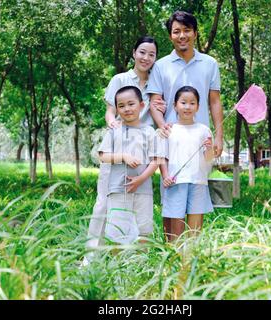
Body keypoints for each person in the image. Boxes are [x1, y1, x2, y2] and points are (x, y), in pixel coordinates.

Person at [84, 36, 163, 264]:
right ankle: (91, 259)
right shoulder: (120, 79)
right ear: (134, 53)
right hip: (119, 143)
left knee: (137, 212)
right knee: (103, 205)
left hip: (142, 150)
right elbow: (110, 111)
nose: (146, 58)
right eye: (142, 52)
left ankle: (133, 260)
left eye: (151, 54)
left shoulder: (156, 83)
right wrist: (113, 124)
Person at [146, 10, 224, 238]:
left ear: (195, 33)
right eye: (176, 31)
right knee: (172, 200)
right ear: (170, 36)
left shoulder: (209, 64)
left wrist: (218, 136)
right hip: (173, 143)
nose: (182, 36)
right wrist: (162, 126)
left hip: (200, 142)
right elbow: (154, 102)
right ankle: (171, 253)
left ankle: (192, 253)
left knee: (196, 199)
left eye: (186, 30)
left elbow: (215, 101)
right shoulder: (161, 66)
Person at [98, 86, 165, 243]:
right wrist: (123, 157)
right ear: (117, 109)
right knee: (116, 229)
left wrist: (141, 178)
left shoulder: (149, 131)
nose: (127, 109)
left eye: (131, 104)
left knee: (143, 228)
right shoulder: (114, 130)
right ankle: (118, 264)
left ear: (141, 105)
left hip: (143, 190)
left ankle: (140, 263)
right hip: (118, 189)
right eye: (121, 106)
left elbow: (157, 159)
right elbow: (103, 156)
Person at [160, 86, 214, 241]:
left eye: (192, 103)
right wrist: (165, 176)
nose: (187, 107)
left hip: (198, 182)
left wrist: (210, 148)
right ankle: (173, 257)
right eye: (183, 102)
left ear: (198, 106)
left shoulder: (204, 130)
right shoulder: (169, 129)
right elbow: (162, 157)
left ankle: (191, 258)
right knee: (175, 227)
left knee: (194, 229)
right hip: (176, 182)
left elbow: (209, 159)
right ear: (175, 105)